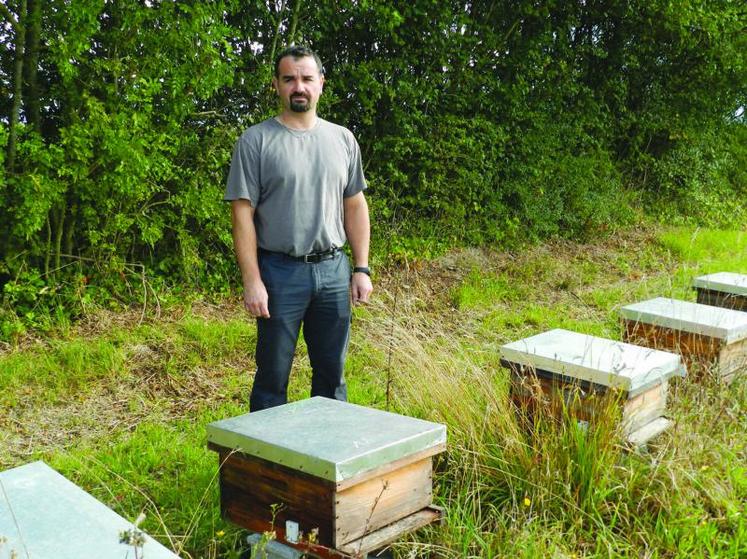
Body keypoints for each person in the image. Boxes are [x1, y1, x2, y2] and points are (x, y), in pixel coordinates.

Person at [225, 45, 373, 412]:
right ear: (276, 85)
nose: (299, 87)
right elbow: (242, 215)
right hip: (279, 273)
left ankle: (326, 457)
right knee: (272, 377)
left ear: (321, 84)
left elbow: (354, 204)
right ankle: (268, 465)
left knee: (331, 376)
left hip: (334, 271)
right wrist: (252, 280)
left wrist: (361, 268)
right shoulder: (255, 141)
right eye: (290, 79)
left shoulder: (342, 139)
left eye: (307, 78)